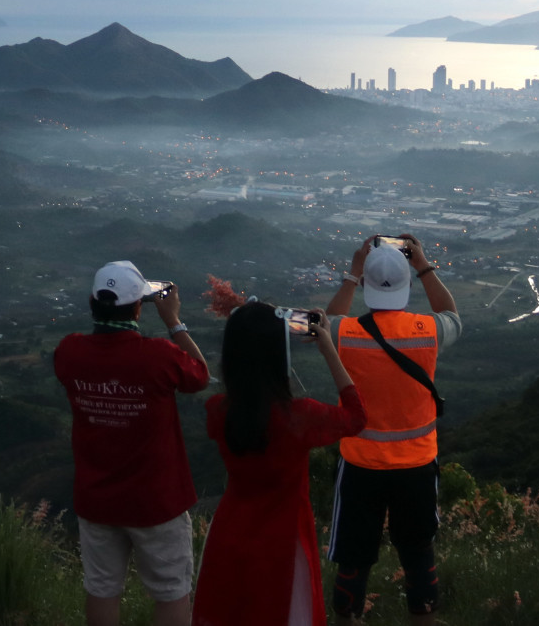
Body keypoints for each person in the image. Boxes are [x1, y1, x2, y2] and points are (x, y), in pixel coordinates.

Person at [53, 261, 210, 626]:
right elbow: (200, 375)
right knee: (171, 591)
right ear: (140, 307)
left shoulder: (69, 351)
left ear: (93, 300)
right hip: (157, 501)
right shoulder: (159, 356)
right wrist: (174, 321)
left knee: (102, 589)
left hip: (97, 500)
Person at [193, 303, 366, 626]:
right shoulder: (300, 417)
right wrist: (328, 346)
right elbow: (357, 417)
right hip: (284, 544)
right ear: (277, 354)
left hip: (228, 537)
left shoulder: (217, 411)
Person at [321, 235, 461, 625]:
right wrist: (424, 265)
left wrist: (351, 274)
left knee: (353, 554)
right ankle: (424, 620)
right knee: (418, 552)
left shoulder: (347, 334)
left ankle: (348, 619)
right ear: (408, 285)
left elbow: (323, 325)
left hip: (360, 466)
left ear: (366, 285)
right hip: (416, 465)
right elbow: (452, 315)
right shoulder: (427, 332)